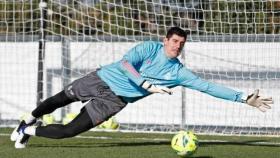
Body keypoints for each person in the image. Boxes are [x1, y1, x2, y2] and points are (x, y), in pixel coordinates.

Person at [11, 27, 273, 149]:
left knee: (69, 131)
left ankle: (28, 129)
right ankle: (31, 117)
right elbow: (126, 64)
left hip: (114, 101)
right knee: (57, 101)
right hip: (101, 79)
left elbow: (207, 86)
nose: (177, 46)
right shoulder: (149, 48)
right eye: (174, 41)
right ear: (165, 40)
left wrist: (242, 98)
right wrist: (146, 84)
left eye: (181, 43)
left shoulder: (179, 73)